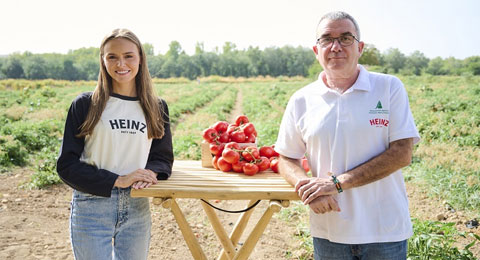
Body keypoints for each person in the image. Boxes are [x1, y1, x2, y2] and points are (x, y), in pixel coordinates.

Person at [275, 11, 420, 259]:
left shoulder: (388, 87)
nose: (335, 47)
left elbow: (402, 154)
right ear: (316, 50)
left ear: (360, 47)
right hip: (330, 231)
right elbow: (286, 158)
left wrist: (336, 184)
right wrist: (307, 189)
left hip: (384, 230)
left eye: (345, 38)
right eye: (327, 39)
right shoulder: (302, 99)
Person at [56, 28, 174, 260]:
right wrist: (118, 180)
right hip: (92, 206)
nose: (121, 63)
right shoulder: (85, 105)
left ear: (140, 58)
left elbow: (163, 158)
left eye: (128, 56)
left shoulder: (156, 107)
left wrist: (150, 172)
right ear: (103, 60)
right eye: (112, 56)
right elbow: (66, 165)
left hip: (136, 205)